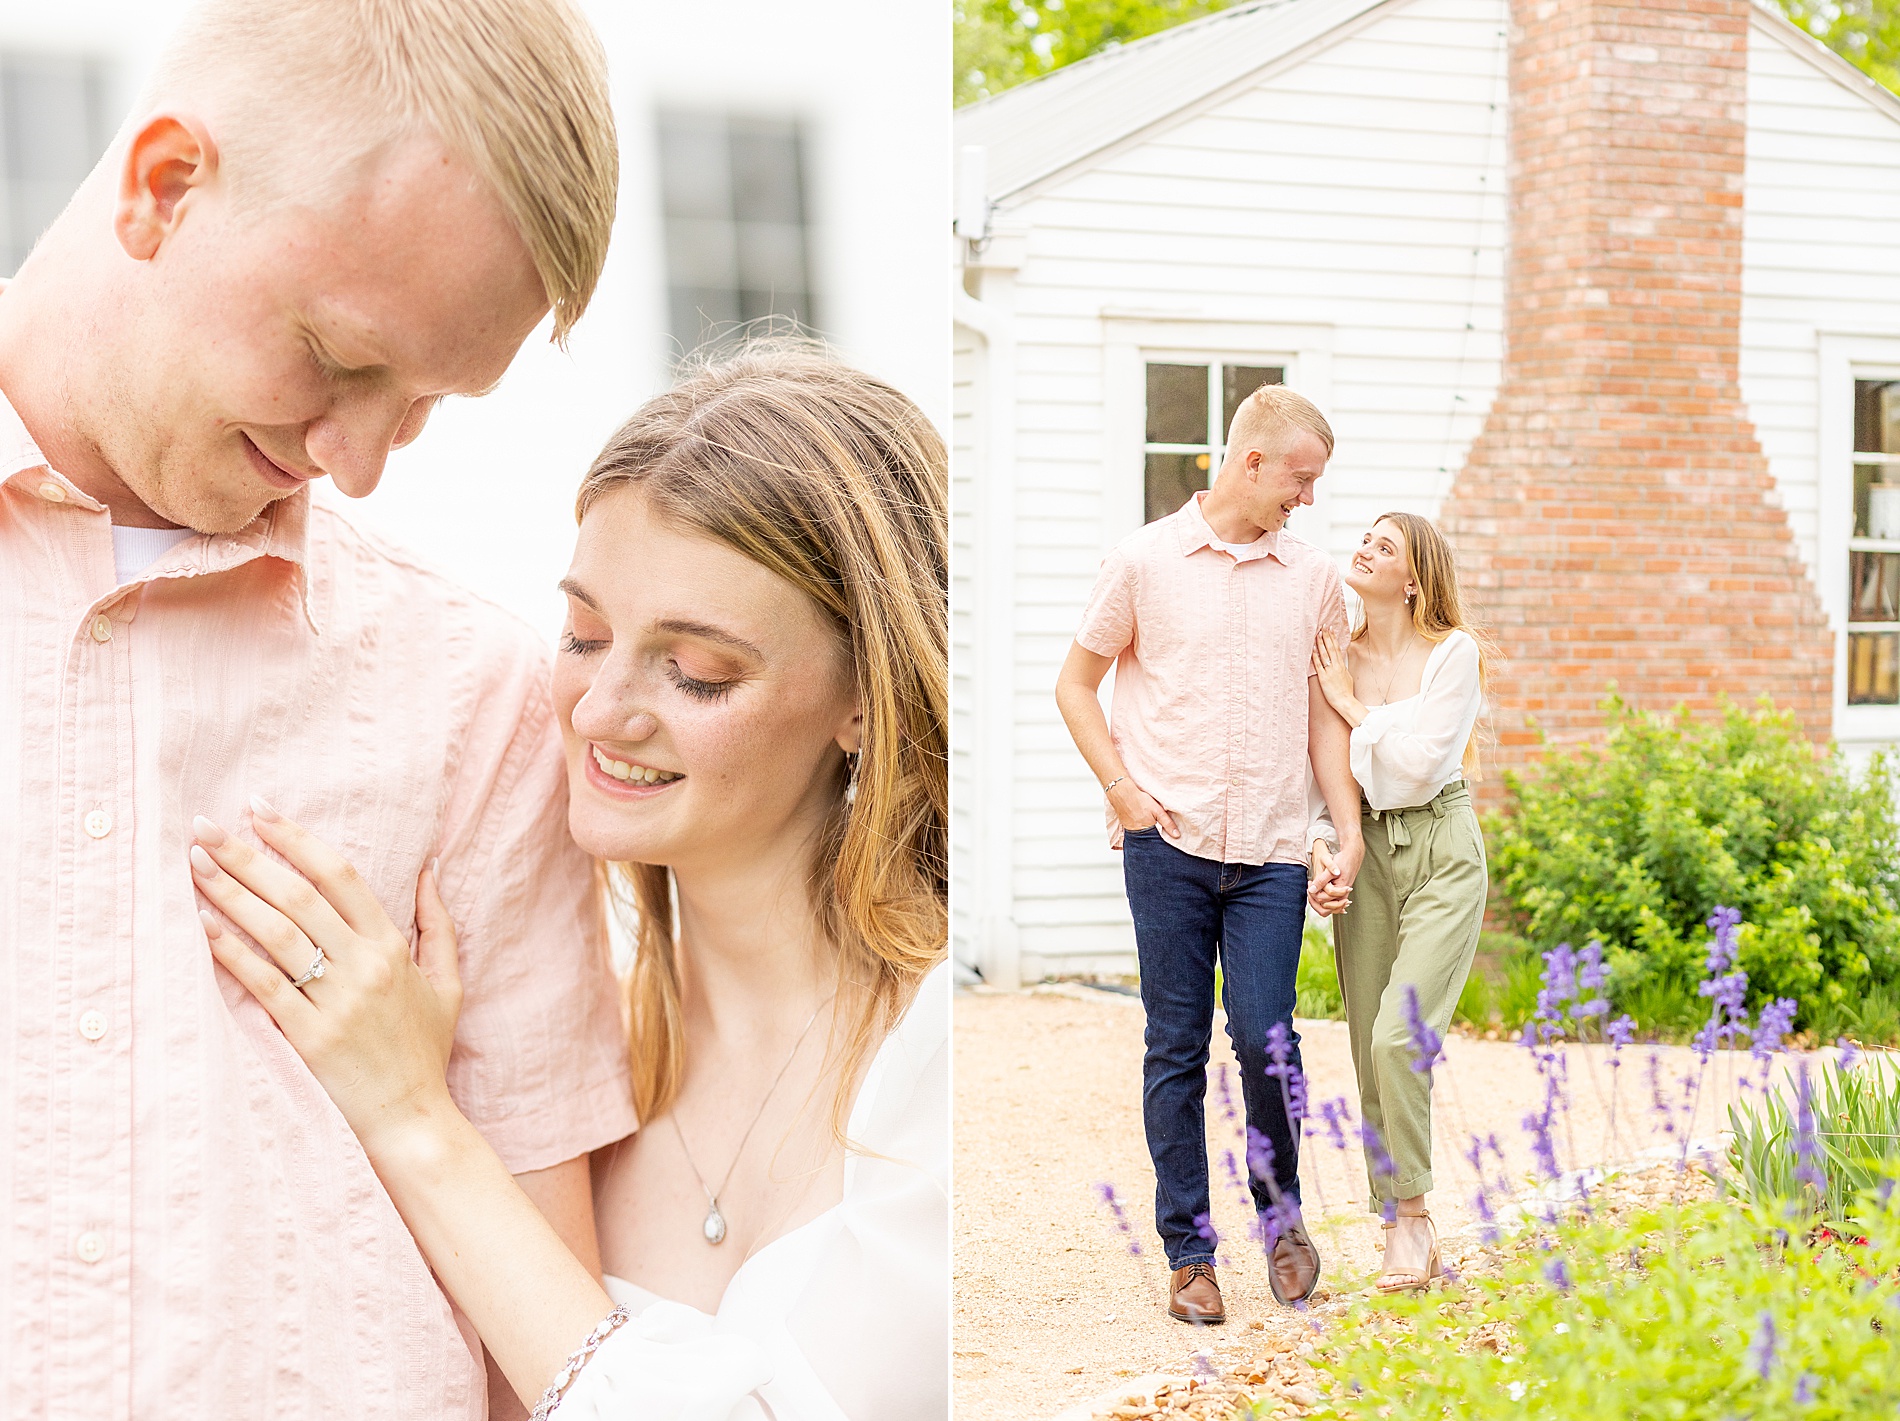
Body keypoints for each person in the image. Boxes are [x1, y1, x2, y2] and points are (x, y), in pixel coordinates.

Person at [0, 3, 632, 1417]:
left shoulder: (478, 698)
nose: (356, 464)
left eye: (420, 406)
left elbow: (554, 1361)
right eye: (341, 360)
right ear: (167, 186)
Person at [188, 350, 951, 1420]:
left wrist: (414, 1117)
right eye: (585, 635)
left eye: (698, 670)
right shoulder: (570, 1047)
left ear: (863, 701)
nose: (597, 712)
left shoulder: (940, 1060)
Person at [1054, 385, 1364, 1322]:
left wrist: (1342, 831)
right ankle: (1190, 1254)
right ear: (1253, 461)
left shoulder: (1314, 581)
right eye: (1300, 479)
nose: (1307, 498)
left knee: (1269, 1041)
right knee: (1175, 1048)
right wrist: (1123, 791)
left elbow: (1324, 718)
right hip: (1170, 847)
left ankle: (1283, 1220)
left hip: (1271, 852)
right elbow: (1076, 685)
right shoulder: (1143, 562)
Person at [1307, 512, 1492, 1293]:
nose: (1366, 549)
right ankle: (1396, 1229)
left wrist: (1352, 707)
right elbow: (1325, 770)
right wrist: (1323, 843)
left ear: (1413, 578)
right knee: (1365, 1047)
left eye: (1386, 546)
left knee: (1397, 1037)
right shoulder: (1335, 653)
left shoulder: (1453, 654)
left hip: (1442, 851)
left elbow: (1418, 766)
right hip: (1368, 852)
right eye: (1366, 538)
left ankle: (1412, 1215)